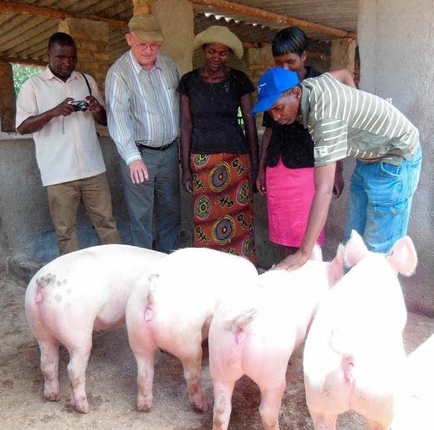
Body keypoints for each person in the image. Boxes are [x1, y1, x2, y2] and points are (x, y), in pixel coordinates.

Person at [251, 67, 421, 270]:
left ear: (296, 94)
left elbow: (324, 189)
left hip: (394, 159)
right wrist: (356, 109)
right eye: (270, 111)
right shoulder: (312, 86)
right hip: (369, 157)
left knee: (379, 252)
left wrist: (304, 253)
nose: (276, 117)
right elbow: (342, 73)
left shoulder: (325, 117)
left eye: (278, 108)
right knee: (353, 246)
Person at [16, 32, 121, 255]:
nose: (67, 63)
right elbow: (23, 126)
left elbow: (105, 121)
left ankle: (117, 273)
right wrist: (53, 112)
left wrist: (97, 109)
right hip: (58, 173)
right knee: (66, 231)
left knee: (107, 224)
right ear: (48, 55)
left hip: (93, 168)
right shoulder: (33, 86)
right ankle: (72, 281)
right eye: (61, 58)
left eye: (72, 58)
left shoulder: (86, 80)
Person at [256, 26, 344, 260]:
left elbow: (336, 132)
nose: (284, 68)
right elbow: (270, 131)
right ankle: (287, 281)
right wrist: (263, 168)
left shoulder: (321, 84)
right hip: (278, 167)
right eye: (279, 62)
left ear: (304, 56)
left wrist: (338, 171)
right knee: (283, 234)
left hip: (311, 168)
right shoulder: (274, 83)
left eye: (290, 61)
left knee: (308, 236)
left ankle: (308, 283)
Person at [178, 26, 259, 264]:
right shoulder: (189, 82)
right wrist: (185, 168)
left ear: (229, 55)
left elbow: (250, 124)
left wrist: (254, 167)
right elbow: (185, 126)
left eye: (223, 53)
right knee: (205, 221)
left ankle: (242, 270)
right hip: (201, 160)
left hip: (236, 161)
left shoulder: (239, 80)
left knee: (240, 220)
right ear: (204, 50)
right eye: (212, 51)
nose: (217, 57)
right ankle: (208, 272)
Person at [105, 14, 181, 253]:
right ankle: (143, 271)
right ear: (129, 39)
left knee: (171, 212)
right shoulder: (119, 73)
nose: (148, 51)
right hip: (139, 155)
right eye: (142, 45)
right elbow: (118, 118)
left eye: (154, 45)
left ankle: (166, 264)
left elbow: (179, 106)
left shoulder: (168, 66)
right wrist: (132, 157)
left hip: (169, 152)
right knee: (141, 216)